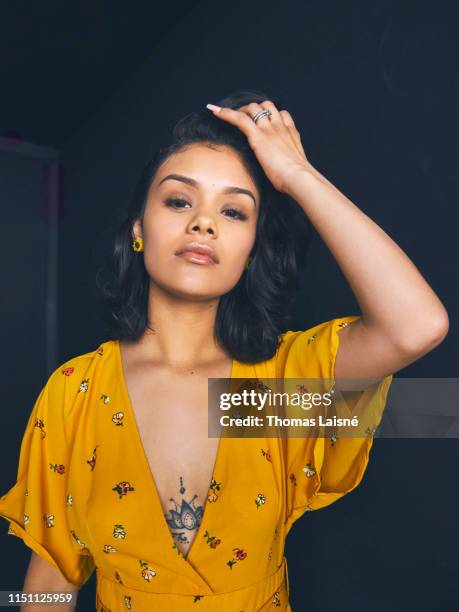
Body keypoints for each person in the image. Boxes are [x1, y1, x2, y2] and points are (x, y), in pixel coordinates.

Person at [0, 89, 449, 611]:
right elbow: (48, 587)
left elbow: (416, 326)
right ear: (139, 230)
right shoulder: (75, 394)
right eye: (178, 200)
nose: (204, 223)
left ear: (251, 250)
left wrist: (297, 175)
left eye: (234, 211)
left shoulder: (270, 393)